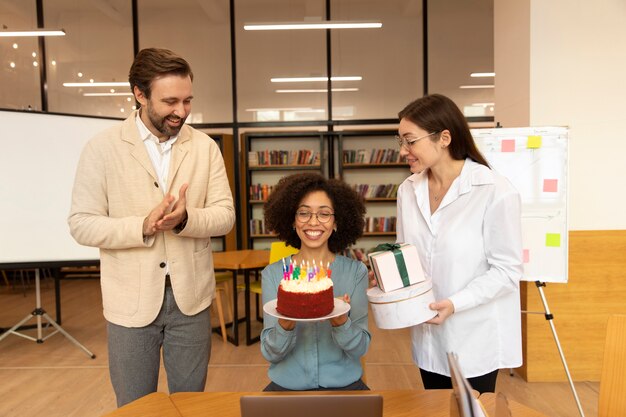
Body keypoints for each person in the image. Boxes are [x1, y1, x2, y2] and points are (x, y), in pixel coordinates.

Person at [68, 48, 235, 406]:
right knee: (134, 407)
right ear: (139, 94)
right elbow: (81, 224)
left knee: (190, 407)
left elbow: (225, 215)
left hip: (191, 300)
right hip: (130, 303)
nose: (181, 111)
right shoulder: (102, 149)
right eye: (170, 101)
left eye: (188, 100)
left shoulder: (205, 148)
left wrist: (186, 220)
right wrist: (143, 225)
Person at [391, 93, 523, 394]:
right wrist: (391, 273)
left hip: (475, 337)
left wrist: (455, 303)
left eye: (410, 141)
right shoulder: (408, 191)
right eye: (400, 141)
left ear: (444, 138)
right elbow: (406, 252)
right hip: (427, 335)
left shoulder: (494, 190)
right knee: (436, 410)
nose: (403, 151)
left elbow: (507, 271)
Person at [260, 173, 371, 391]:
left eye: (324, 214)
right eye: (303, 213)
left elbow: (361, 348)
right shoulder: (273, 274)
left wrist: (341, 323)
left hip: (345, 385)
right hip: (287, 386)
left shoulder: (355, 272)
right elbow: (270, 353)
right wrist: (285, 324)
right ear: (292, 220)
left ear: (337, 221)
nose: (313, 222)